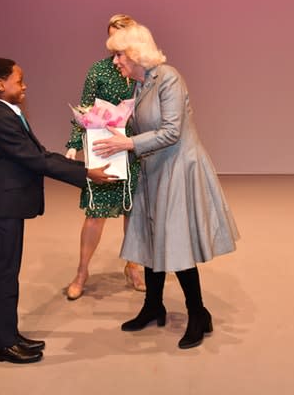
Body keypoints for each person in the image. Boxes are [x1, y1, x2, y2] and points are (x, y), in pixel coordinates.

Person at [94, 24, 240, 349]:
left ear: (134, 53)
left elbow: (172, 131)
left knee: (177, 242)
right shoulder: (141, 83)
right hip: (154, 167)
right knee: (149, 237)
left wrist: (128, 143)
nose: (115, 61)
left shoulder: (168, 77)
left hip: (177, 168)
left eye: (118, 54)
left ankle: (198, 314)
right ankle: (153, 306)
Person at [0, 57, 115, 364]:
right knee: (6, 274)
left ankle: (9, 336)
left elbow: (42, 155)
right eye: (19, 80)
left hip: (8, 205)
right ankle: (4, 344)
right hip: (3, 206)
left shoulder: (11, 114)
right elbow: (38, 161)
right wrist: (86, 174)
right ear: (0, 85)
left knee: (9, 272)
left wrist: (85, 167)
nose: (24, 85)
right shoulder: (2, 119)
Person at [63, 14, 145, 300]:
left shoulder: (142, 68)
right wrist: (75, 143)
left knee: (132, 212)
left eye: (118, 38)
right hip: (103, 149)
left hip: (133, 149)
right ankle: (82, 271)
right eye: (109, 37)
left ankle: (133, 265)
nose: (113, 45)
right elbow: (85, 109)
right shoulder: (98, 69)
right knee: (95, 214)